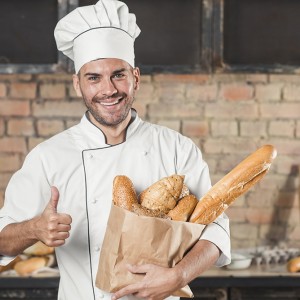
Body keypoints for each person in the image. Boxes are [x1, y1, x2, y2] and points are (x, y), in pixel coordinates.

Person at [0, 1, 231, 299]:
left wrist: (178, 276)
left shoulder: (177, 148)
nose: (108, 89)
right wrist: (34, 229)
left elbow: (215, 229)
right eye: (93, 78)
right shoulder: (48, 157)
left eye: (118, 75)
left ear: (135, 77)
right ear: (77, 84)